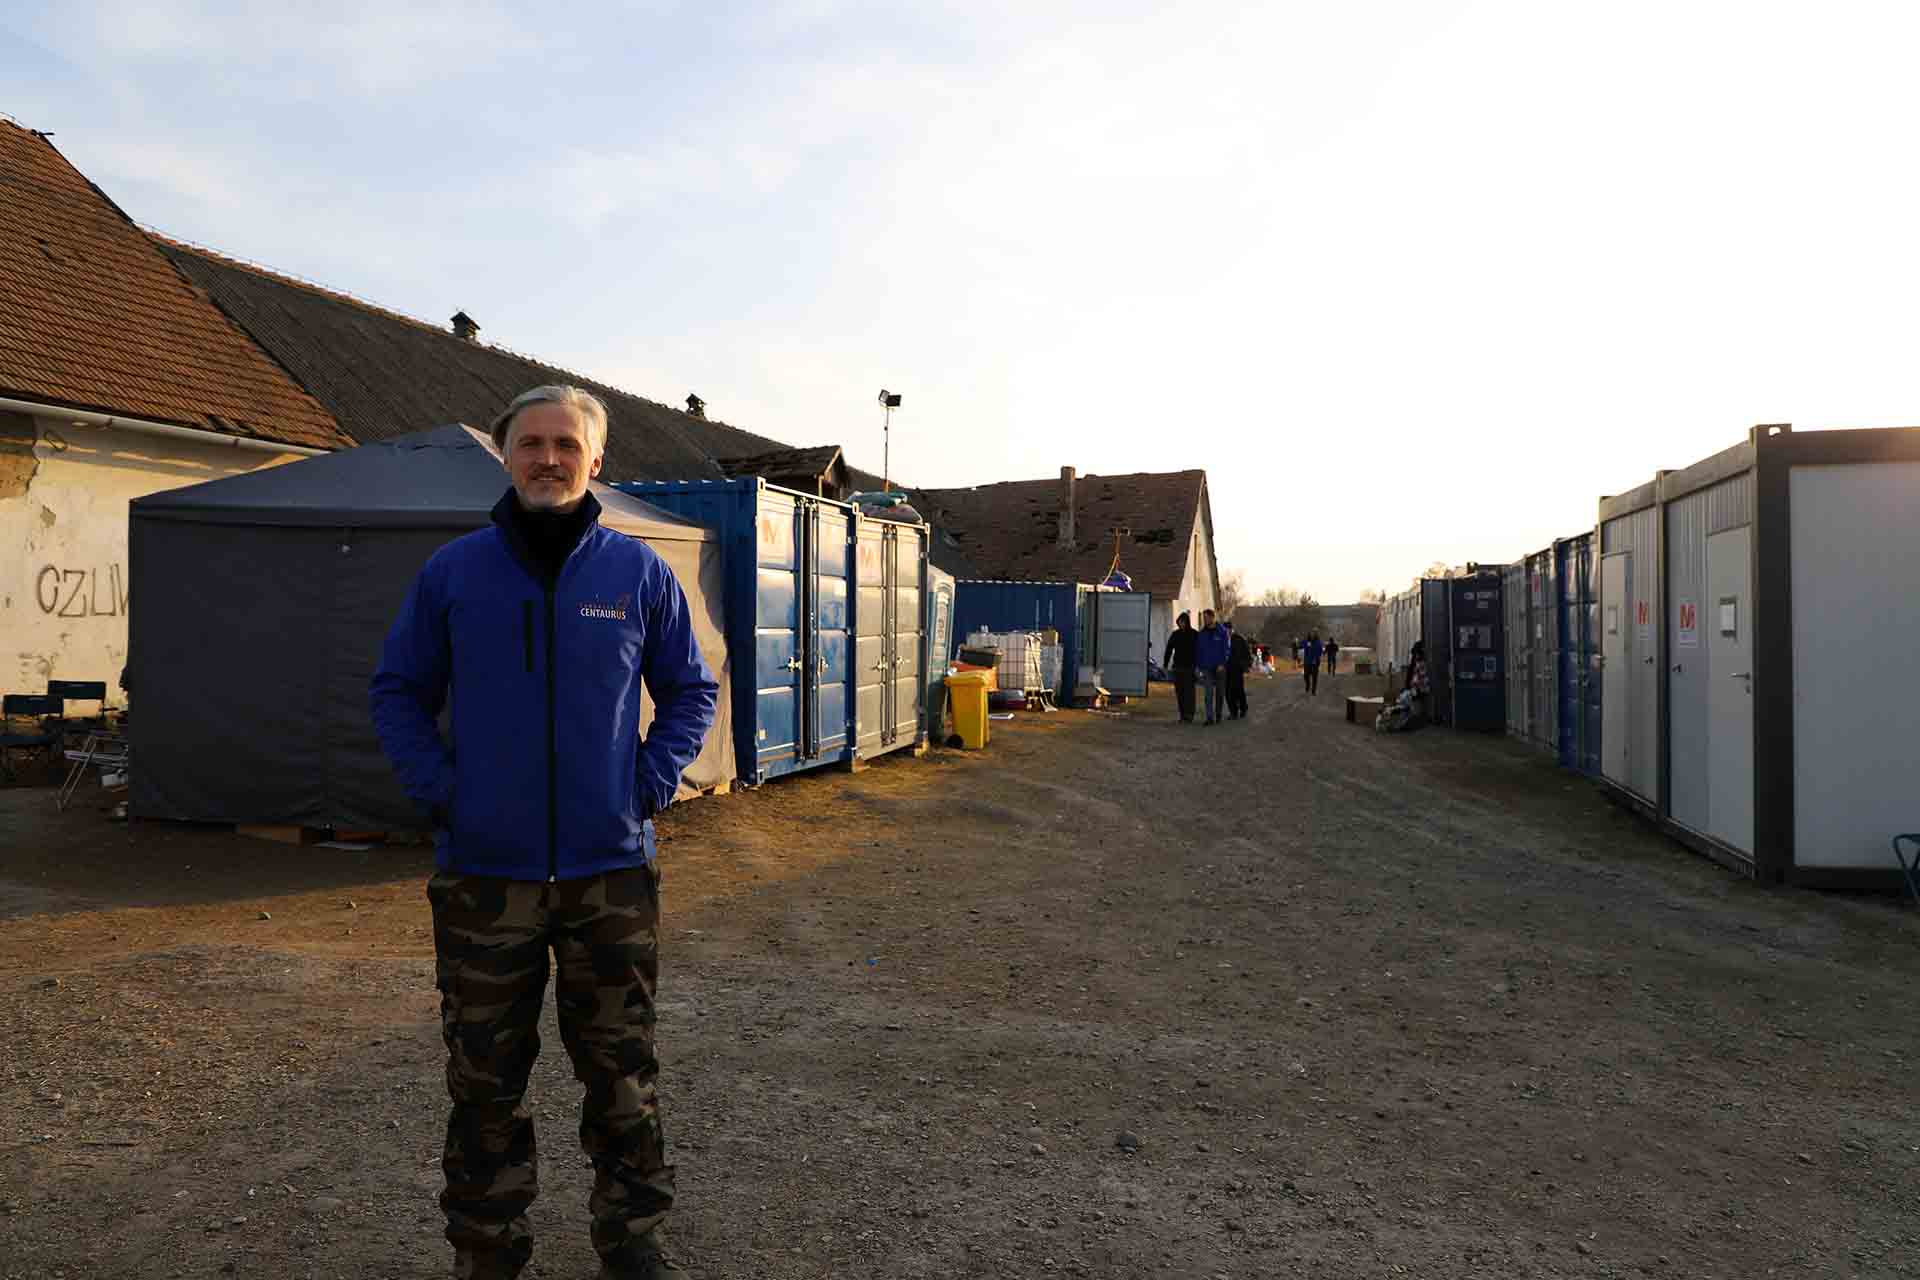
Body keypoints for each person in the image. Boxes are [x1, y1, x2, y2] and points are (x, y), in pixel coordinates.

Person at [371, 384, 719, 1280]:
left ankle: (631, 1238)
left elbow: (692, 690)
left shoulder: (637, 573)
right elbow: (398, 691)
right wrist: (444, 793)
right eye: (531, 443)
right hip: (487, 875)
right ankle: (488, 1246)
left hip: (610, 873)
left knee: (621, 1069)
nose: (549, 459)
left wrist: (646, 785)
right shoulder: (454, 572)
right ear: (506, 456)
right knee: (484, 1077)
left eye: (567, 444)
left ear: (596, 461)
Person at [1194, 608, 1230, 725]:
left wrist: (1222, 663)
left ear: (1212, 617)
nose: (1205, 620)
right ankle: (1209, 718)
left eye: (1206, 617)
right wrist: (1198, 666)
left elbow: (1226, 650)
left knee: (1219, 693)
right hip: (1206, 668)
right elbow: (1198, 651)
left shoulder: (1222, 632)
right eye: (1203, 618)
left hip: (1220, 668)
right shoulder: (1201, 634)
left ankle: (1218, 715)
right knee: (1208, 694)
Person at [1161, 611, 1198, 723]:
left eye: (1183, 622)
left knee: (1190, 692)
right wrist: (1165, 664)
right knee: (1180, 692)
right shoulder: (1175, 634)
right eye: (1179, 622)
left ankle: (1190, 715)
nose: (1181, 624)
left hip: (1190, 667)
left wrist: (1199, 665)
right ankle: (1182, 715)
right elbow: (1169, 649)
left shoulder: (1194, 634)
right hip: (1178, 667)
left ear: (1187, 622)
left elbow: (1199, 651)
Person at [1224, 620, 1253, 719]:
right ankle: (1233, 711)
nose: (1227, 632)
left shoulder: (1239, 639)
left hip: (1237, 668)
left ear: (1231, 630)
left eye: (1228, 630)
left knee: (1238, 690)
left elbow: (1246, 652)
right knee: (1228, 691)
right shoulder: (1221, 640)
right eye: (1225, 630)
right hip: (1226, 668)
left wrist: (1247, 665)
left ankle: (1243, 708)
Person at [1302, 630, 1324, 696]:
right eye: (1311, 634)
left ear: (1316, 635)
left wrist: (1317, 658)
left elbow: (1320, 651)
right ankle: (1308, 685)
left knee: (1314, 677)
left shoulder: (1318, 643)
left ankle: (1313, 691)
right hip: (1307, 662)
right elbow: (1300, 645)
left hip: (1315, 662)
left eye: (1314, 634)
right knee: (1306, 676)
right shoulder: (1306, 642)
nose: (1312, 635)